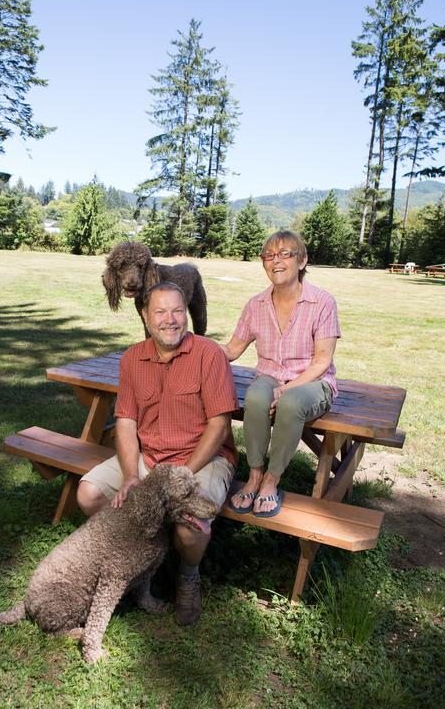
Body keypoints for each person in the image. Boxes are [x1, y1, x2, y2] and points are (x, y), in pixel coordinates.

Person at [77, 281, 239, 626]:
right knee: (88, 494)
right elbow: (125, 422)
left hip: (202, 457)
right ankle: (140, 562)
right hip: (149, 455)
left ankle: (187, 576)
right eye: (161, 312)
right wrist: (132, 475)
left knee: (191, 527)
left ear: (187, 314)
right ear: (145, 317)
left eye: (178, 311)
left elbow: (219, 426)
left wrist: (182, 475)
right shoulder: (133, 358)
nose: (171, 320)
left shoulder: (209, 354)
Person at [221, 230, 340, 517]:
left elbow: (322, 361)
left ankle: (272, 481)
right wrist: (189, 345)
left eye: (285, 253)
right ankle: (254, 475)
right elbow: (232, 350)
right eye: (269, 255)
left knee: (290, 402)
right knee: (256, 396)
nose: (276, 261)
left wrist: (287, 389)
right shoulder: (256, 304)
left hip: (314, 381)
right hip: (270, 376)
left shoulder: (323, 302)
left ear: (302, 260)